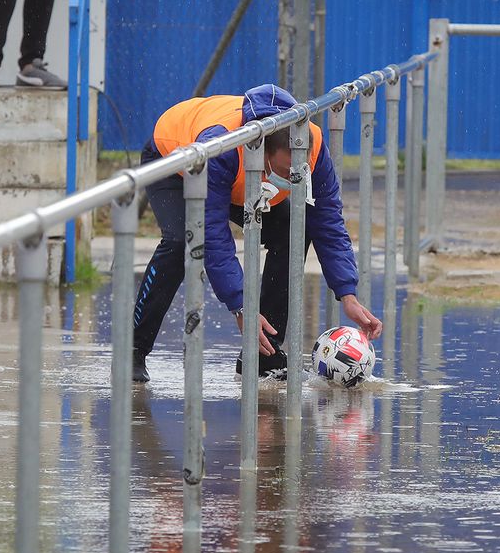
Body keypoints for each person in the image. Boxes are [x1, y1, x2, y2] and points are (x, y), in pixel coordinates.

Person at [131, 85, 383, 383]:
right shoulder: (222, 145)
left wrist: (347, 293)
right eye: (285, 171)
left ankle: (264, 354)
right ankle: (133, 350)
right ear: (263, 152)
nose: (292, 179)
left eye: (298, 173)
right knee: (180, 241)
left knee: (293, 228)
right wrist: (242, 306)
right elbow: (212, 235)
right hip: (176, 160)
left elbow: (328, 221)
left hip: (240, 175)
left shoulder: (311, 144)